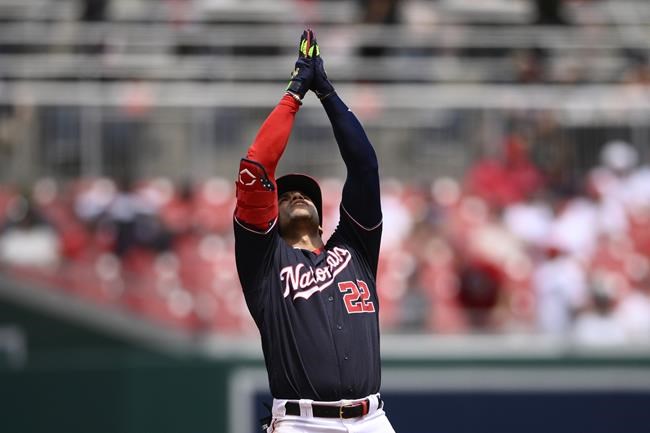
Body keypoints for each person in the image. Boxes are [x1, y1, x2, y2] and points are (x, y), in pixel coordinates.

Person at [233, 29, 395, 432]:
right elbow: (256, 170)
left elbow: (364, 167)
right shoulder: (264, 264)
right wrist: (294, 95)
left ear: (323, 218)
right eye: (284, 196)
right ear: (271, 215)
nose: (295, 198)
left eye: (304, 195)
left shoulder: (355, 247)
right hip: (300, 423)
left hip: (372, 419)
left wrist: (326, 91)